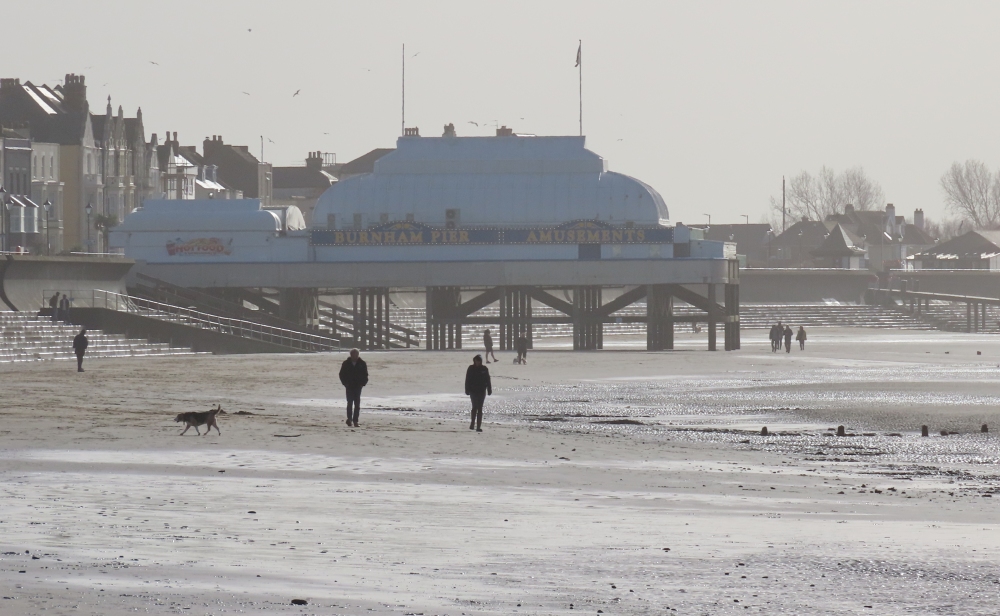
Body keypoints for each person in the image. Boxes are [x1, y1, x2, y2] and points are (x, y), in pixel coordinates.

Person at [339, 348, 368, 428]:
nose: (355, 356)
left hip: (358, 386)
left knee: (357, 404)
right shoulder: (346, 363)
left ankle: (355, 421)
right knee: (349, 403)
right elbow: (341, 374)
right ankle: (349, 419)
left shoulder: (362, 363)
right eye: (353, 354)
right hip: (349, 386)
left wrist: (363, 383)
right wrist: (345, 383)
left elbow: (365, 374)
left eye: (356, 354)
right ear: (351, 355)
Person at [464, 354, 492, 432]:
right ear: (474, 361)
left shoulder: (484, 369)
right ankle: (472, 423)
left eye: (479, 361)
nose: (478, 362)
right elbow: (467, 379)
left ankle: (478, 426)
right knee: (474, 407)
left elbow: (488, 379)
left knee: (480, 408)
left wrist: (489, 389)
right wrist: (467, 389)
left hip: (482, 390)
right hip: (473, 390)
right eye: (476, 361)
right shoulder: (471, 368)